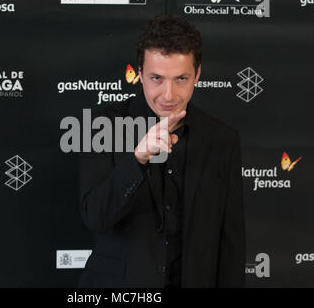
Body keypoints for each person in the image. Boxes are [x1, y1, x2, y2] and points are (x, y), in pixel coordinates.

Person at [78, 15, 245, 287]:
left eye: (181, 78)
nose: (169, 94)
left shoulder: (222, 140)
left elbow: (231, 242)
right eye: (157, 78)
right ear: (140, 74)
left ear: (198, 74)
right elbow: (95, 217)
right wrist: (137, 160)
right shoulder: (101, 127)